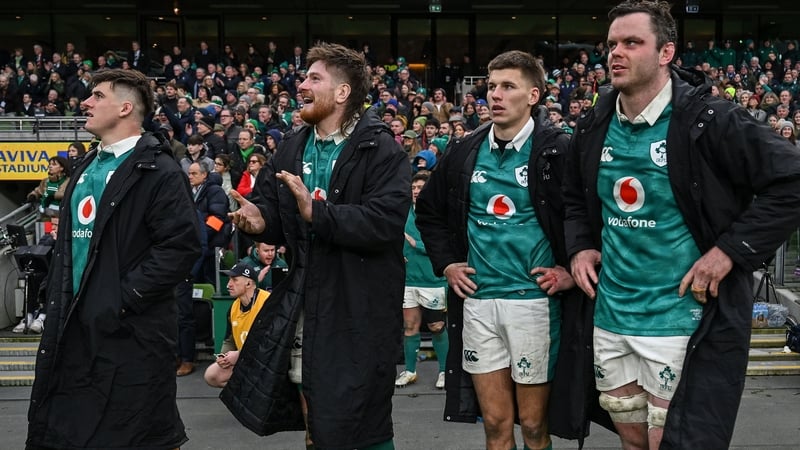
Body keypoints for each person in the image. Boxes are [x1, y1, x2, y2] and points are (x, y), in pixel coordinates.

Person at [563, 2, 800, 449]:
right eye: (612, 44)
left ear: (666, 52)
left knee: (670, 443)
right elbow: (574, 196)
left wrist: (729, 250)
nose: (616, 53)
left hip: (681, 319)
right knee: (631, 442)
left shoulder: (711, 119)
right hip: (613, 317)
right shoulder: (594, 121)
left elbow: (791, 180)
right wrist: (580, 246)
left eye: (632, 42)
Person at [223, 42, 411, 450]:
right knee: (313, 408)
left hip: (360, 302)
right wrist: (259, 223)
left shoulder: (380, 147)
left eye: (314, 78)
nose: (301, 84)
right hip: (306, 296)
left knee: (363, 416)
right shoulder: (292, 146)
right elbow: (272, 214)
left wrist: (317, 211)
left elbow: (385, 222)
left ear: (342, 93)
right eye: (304, 76)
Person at [415, 50, 591, 450]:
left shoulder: (559, 149)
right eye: (491, 86)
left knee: (532, 425)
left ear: (533, 95)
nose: (494, 95)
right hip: (478, 303)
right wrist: (446, 264)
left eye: (507, 86)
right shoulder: (464, 149)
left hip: (534, 304)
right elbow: (428, 210)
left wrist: (569, 267)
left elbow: (587, 214)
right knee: (495, 425)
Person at [26, 68, 200, 449]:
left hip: (129, 333)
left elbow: (180, 247)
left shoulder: (160, 169)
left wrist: (120, 299)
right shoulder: (88, 166)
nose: (85, 103)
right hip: (72, 325)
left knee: (134, 434)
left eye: (97, 96)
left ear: (125, 108)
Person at [395, 171, 449, 390]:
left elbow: (445, 245)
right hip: (408, 279)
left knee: (436, 326)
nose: (416, 192)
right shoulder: (402, 213)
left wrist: (417, 244)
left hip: (433, 281)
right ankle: (409, 371)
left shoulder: (437, 213)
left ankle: (445, 371)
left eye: (420, 188)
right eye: (414, 188)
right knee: (409, 326)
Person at [204, 263, 270, 388]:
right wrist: (223, 357)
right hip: (246, 360)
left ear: (249, 284)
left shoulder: (267, 303)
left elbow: (271, 343)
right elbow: (230, 340)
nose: (228, 285)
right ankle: (245, 395)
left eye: (234, 280)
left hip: (267, 362)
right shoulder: (233, 308)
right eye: (229, 280)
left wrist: (240, 354)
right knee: (212, 374)